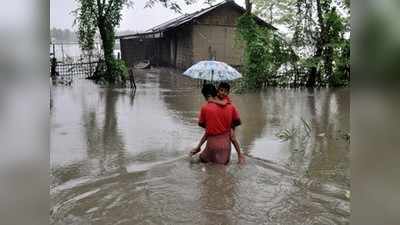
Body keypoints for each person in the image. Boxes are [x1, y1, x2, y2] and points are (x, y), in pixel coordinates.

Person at [190, 83, 244, 164]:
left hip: (211, 145)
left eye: (225, 91)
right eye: (221, 90)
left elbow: (205, 129)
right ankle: (240, 155)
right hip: (225, 146)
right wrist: (239, 154)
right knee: (221, 173)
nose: (223, 93)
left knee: (197, 163)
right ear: (217, 92)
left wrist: (198, 147)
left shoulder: (205, 108)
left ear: (205, 95)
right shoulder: (231, 106)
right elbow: (236, 123)